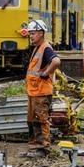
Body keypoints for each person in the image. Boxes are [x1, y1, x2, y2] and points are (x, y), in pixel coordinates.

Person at [23, 19, 61, 158]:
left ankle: (44, 149)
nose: (31, 36)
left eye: (33, 33)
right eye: (30, 34)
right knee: (32, 121)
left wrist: (46, 73)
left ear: (41, 33)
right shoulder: (37, 48)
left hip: (41, 93)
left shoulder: (46, 48)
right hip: (34, 92)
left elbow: (56, 61)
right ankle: (34, 148)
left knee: (41, 120)